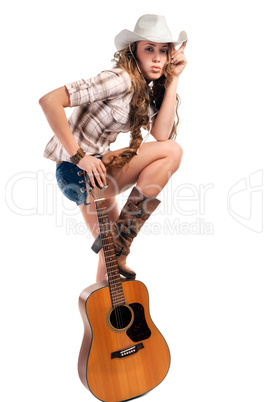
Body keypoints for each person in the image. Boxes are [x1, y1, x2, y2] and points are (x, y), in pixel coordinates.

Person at [39, 14, 188, 282]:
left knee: (108, 255)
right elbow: (50, 101)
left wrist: (174, 78)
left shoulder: (144, 89)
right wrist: (79, 156)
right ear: (135, 52)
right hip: (79, 170)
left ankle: (101, 320)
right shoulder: (119, 79)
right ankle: (122, 241)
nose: (157, 58)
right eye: (149, 49)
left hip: (94, 172)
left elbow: (161, 133)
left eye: (163, 51)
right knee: (173, 152)